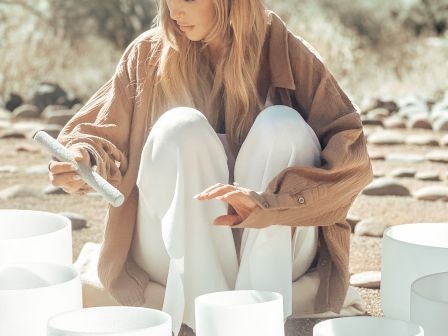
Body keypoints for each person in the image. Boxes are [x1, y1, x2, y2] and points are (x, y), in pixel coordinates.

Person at [48, 0, 373, 334]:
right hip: (171, 252)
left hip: (275, 250)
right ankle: (212, 314)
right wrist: (84, 160)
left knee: (284, 125)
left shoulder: (289, 53)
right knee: (180, 126)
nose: (174, 12)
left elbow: (351, 154)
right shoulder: (147, 54)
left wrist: (274, 205)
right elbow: (96, 135)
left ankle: (255, 316)